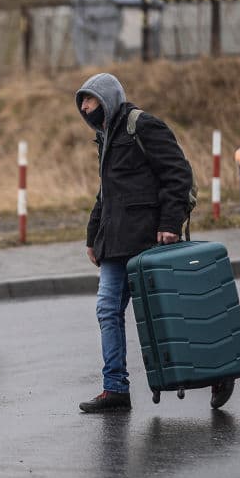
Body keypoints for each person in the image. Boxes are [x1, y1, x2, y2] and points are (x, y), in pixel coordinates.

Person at [74, 73, 210, 412]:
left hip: (147, 241)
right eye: (81, 103)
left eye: (88, 100)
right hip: (114, 245)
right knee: (107, 309)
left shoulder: (143, 126)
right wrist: (93, 237)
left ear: (107, 99)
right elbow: (105, 194)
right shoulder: (104, 138)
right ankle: (115, 387)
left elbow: (177, 174)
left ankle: (216, 373)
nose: (84, 108)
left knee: (169, 318)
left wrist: (169, 223)